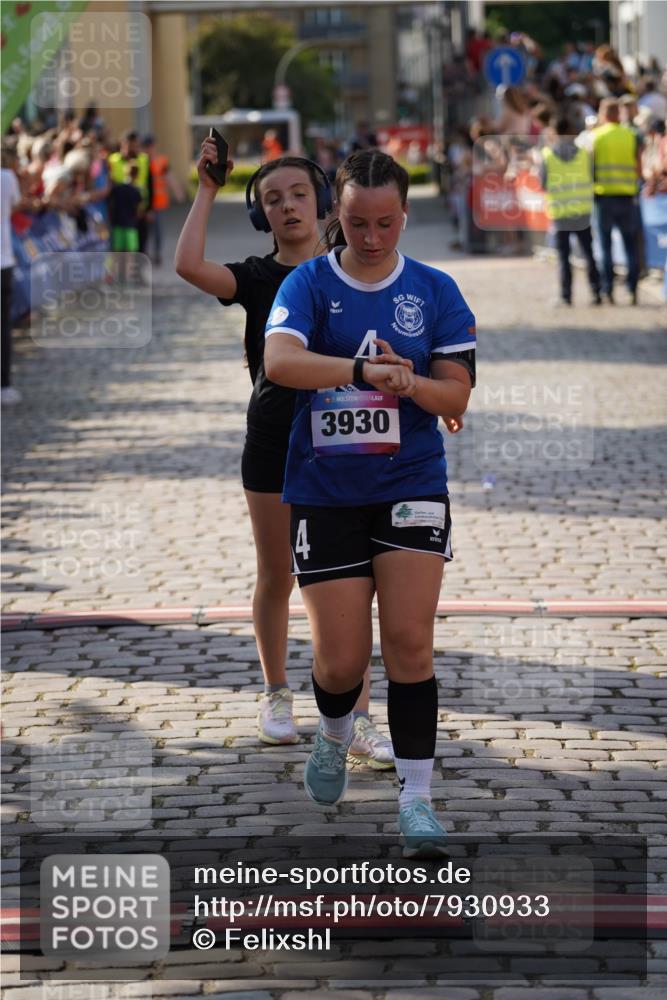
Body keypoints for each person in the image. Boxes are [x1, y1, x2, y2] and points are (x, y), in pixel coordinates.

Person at [263, 150, 475, 856]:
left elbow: (456, 395)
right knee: (340, 664)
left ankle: (417, 798)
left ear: (405, 216)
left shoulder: (435, 289)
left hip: (409, 483)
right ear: (337, 217)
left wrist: (409, 384)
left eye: (385, 222)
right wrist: (361, 370)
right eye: (357, 223)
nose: (372, 236)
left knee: (410, 644)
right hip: (324, 492)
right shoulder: (307, 282)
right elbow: (281, 363)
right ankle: (332, 735)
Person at [174, 140, 395, 768]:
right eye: (272, 200)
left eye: (299, 193)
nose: (288, 207)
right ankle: (275, 693)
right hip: (274, 439)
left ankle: (358, 716)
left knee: (352, 584)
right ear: (260, 215)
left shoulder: (354, 267)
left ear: (324, 200)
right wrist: (209, 189)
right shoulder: (255, 275)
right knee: (279, 573)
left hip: (347, 440)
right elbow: (188, 265)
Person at [540, 116, 601, 306]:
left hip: (560, 213)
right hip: (581, 211)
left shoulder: (548, 155)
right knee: (588, 253)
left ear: (555, 132)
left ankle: (566, 296)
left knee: (563, 257)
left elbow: (543, 183)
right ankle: (596, 292)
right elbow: (593, 176)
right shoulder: (584, 153)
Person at [591, 98, 641, 304]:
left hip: (603, 198)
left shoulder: (596, 136)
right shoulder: (630, 135)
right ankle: (632, 290)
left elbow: (589, 167)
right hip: (627, 197)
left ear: (603, 114)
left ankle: (607, 290)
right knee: (631, 246)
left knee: (605, 246)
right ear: (618, 114)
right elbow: (638, 167)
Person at [1, 142, 23, 406]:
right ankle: (3, 384)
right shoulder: (7, 177)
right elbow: (16, 204)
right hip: (4, 260)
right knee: (3, 326)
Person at [108, 131, 152, 253]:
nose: (133, 148)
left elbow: (149, 183)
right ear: (122, 144)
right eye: (129, 145)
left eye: (135, 145)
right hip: (120, 211)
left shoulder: (143, 159)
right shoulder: (113, 160)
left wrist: (149, 209)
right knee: (120, 246)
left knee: (140, 244)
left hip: (139, 209)